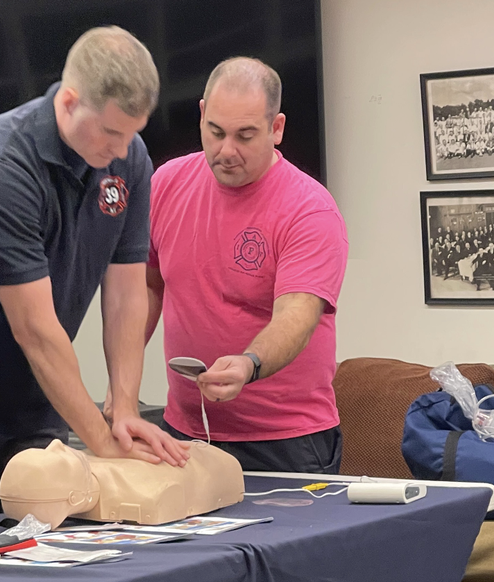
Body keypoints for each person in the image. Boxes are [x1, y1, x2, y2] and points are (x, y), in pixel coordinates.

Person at [0, 26, 187, 522]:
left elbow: (127, 295)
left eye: (132, 132)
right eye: (111, 131)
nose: (122, 149)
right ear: (69, 102)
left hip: (35, 397)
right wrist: (100, 442)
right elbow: (36, 330)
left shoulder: (128, 159)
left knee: (39, 556)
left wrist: (126, 413)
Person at [146, 57, 348, 474]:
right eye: (215, 132)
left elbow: (297, 314)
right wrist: (121, 380)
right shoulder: (166, 184)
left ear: (277, 129)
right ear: (202, 114)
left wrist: (249, 364)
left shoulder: (309, 210)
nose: (226, 151)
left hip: (286, 443)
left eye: (245, 136)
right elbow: (145, 287)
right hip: (184, 432)